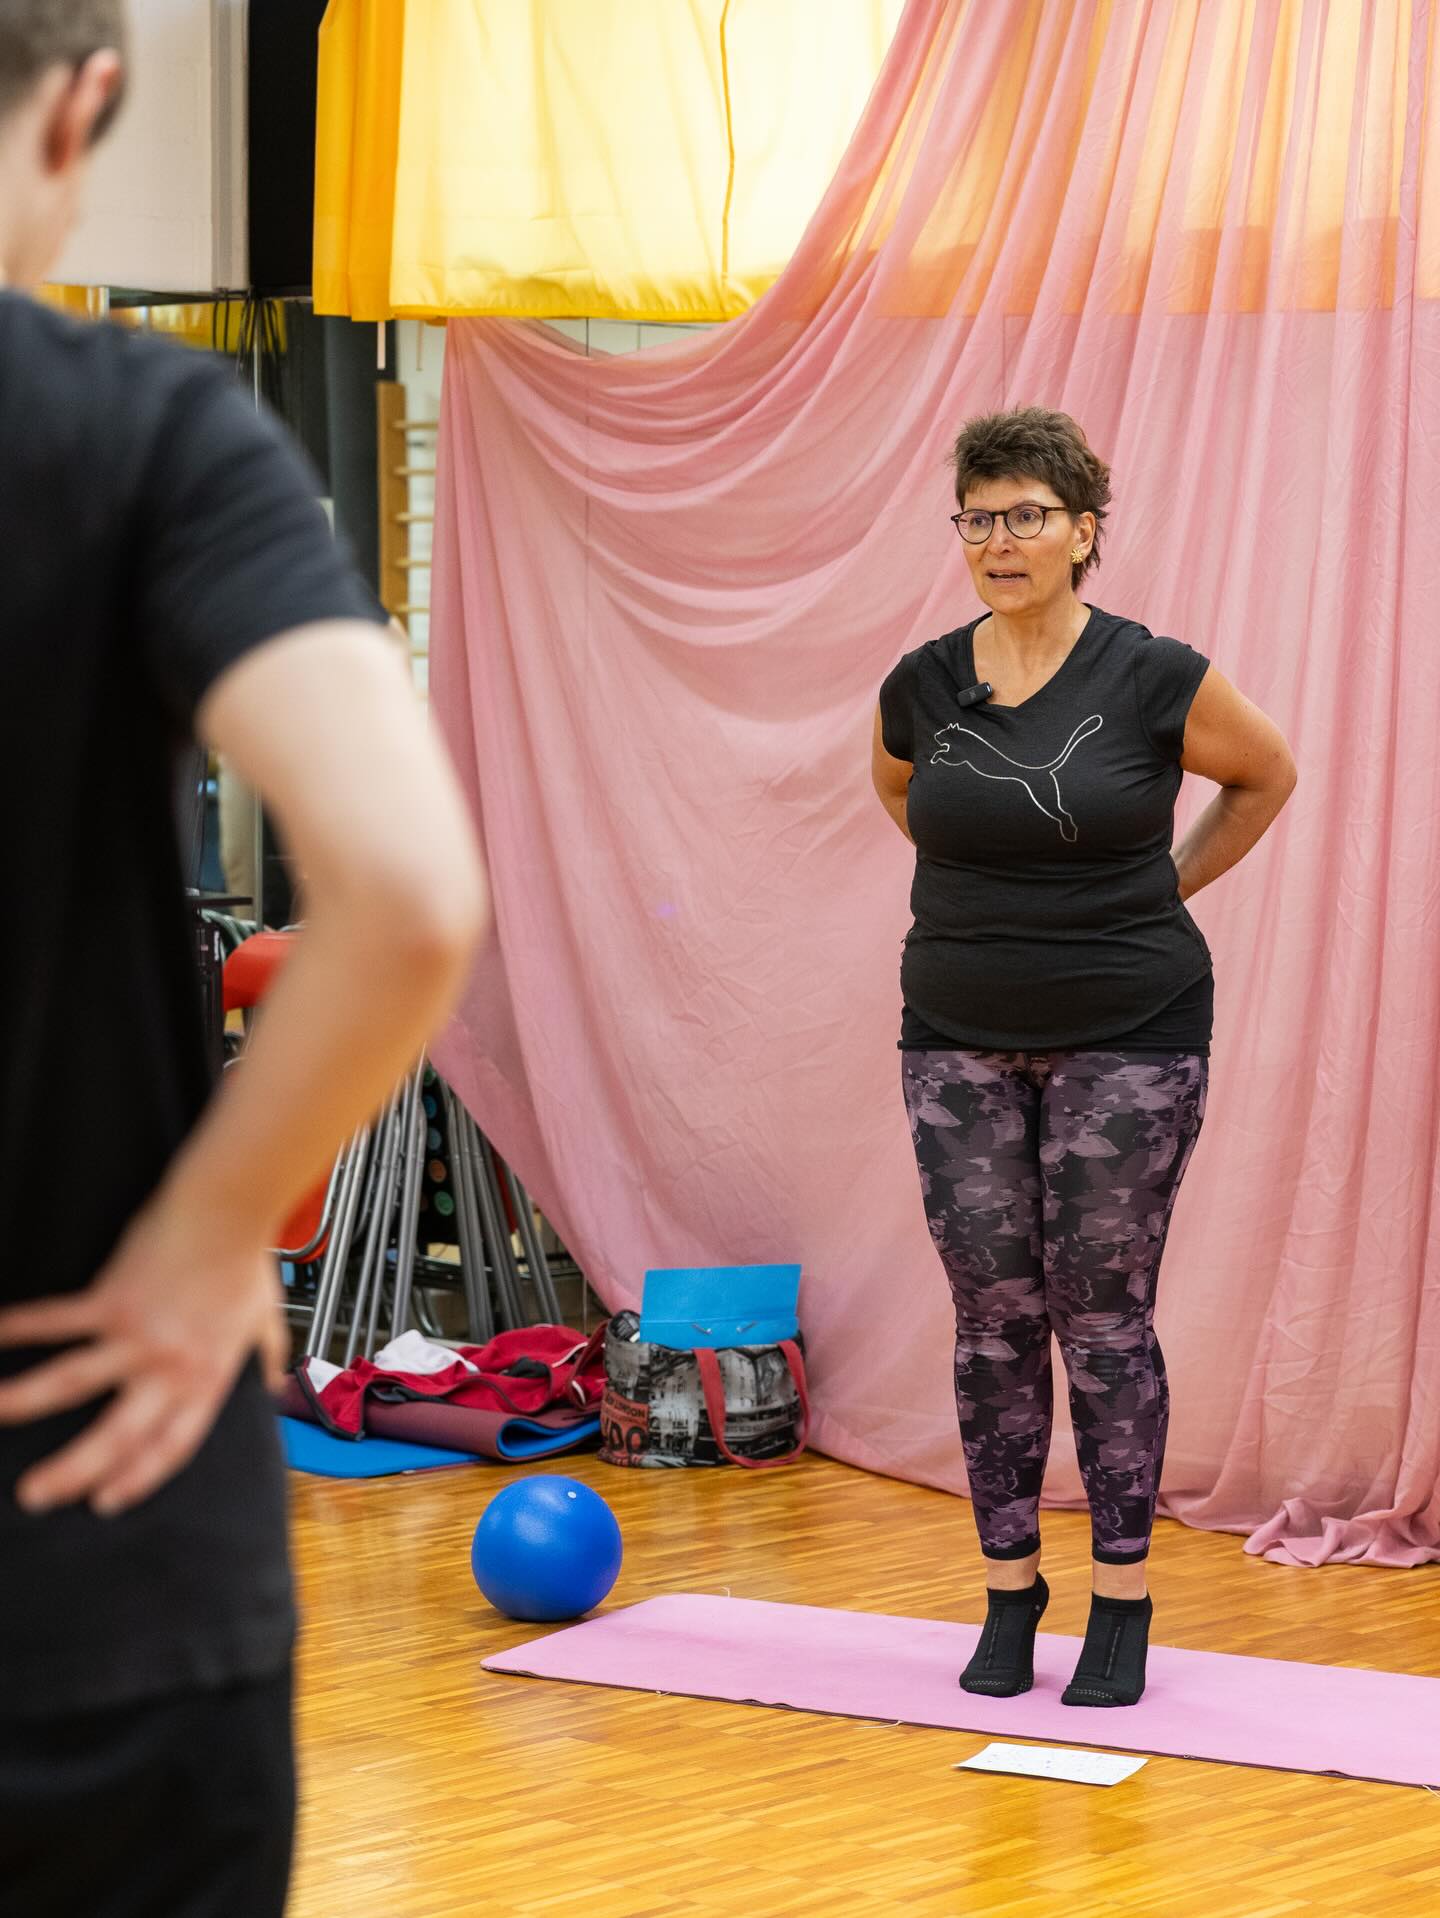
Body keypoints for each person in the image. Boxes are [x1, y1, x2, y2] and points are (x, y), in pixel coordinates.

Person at [0, 5, 488, 1912]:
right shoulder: (142, 427)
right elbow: (409, 890)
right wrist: (210, 1236)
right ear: (90, 101)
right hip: (95, 1516)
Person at [872, 407, 1296, 1707]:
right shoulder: (922, 683)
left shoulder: (1153, 674)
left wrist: (1155, 890)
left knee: (1102, 1315)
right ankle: (1010, 1589)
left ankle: (1122, 1597)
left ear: (1083, 530)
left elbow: (1266, 774)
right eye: (980, 517)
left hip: (1132, 1031)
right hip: (955, 1032)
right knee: (992, 1317)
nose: (1000, 540)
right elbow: (900, 790)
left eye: (1028, 516)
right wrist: (1002, 900)